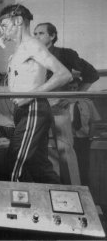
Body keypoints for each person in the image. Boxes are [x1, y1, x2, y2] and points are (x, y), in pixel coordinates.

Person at [0, 4, 72, 184]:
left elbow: (64, 74)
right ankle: (61, 203)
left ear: (18, 21)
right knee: (38, 167)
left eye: (5, 25)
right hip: (24, 111)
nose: (2, 30)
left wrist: (30, 96)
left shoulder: (32, 45)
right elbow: (19, 90)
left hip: (34, 109)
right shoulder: (18, 50)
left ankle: (15, 209)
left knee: (14, 164)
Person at [34, 22, 99, 185]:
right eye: (34, 34)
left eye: (40, 33)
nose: (36, 37)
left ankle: (76, 192)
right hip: (39, 109)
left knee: (65, 150)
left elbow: (91, 74)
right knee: (48, 152)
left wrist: (72, 98)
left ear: (52, 36)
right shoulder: (33, 56)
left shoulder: (65, 54)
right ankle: (55, 193)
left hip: (58, 108)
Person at [68, 77, 101, 185]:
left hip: (83, 140)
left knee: (83, 168)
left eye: (75, 88)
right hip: (68, 140)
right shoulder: (63, 103)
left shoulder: (87, 102)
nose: (73, 90)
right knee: (69, 168)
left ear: (79, 88)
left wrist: (90, 137)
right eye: (71, 88)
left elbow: (93, 122)